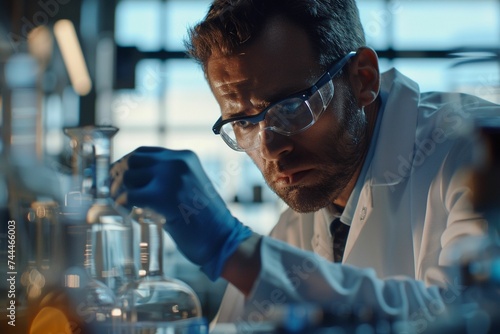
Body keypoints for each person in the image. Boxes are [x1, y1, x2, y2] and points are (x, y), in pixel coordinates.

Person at [110, 0, 500, 329]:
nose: (272, 147)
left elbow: (467, 316)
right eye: (244, 121)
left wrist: (233, 250)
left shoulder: (478, 151)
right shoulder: (298, 222)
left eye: (292, 108)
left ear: (363, 79)